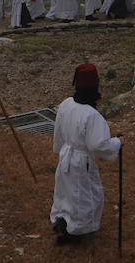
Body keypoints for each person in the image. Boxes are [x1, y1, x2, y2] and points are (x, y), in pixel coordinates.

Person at [49, 63, 122, 245]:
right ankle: (77, 233)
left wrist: (60, 149)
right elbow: (99, 145)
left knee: (65, 192)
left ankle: (62, 221)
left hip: (67, 155)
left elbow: (58, 129)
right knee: (85, 195)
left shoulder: (66, 104)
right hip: (81, 161)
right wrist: (118, 142)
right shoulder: (92, 115)